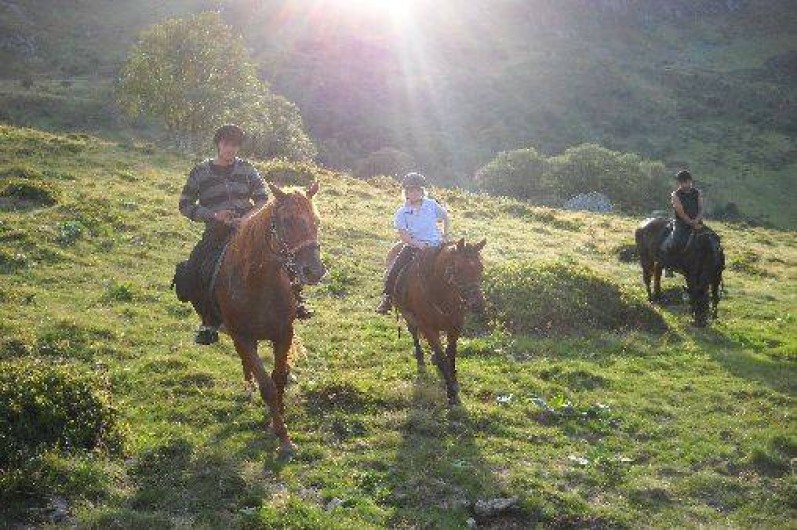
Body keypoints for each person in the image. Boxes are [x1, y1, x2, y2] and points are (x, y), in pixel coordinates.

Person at [176, 124, 312, 345]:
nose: (230, 149)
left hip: (249, 230)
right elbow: (185, 205)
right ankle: (208, 322)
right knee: (193, 269)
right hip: (217, 232)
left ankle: (296, 301)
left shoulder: (247, 169)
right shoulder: (199, 172)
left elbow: (262, 199)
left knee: (283, 258)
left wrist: (247, 218)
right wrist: (214, 215)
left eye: (235, 145)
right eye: (226, 144)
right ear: (218, 144)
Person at [376, 172, 450, 314]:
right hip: (414, 247)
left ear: (422, 191)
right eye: (410, 190)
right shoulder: (402, 212)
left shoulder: (431, 205)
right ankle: (387, 298)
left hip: (437, 245)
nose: (414, 193)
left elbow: (446, 218)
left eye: (417, 190)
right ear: (406, 192)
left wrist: (446, 236)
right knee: (395, 269)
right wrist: (419, 245)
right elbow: (404, 236)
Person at [660, 169, 704, 274]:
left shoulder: (697, 193)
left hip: (698, 222)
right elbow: (680, 212)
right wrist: (691, 223)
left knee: (712, 240)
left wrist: (697, 220)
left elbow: (701, 208)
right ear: (680, 183)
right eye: (683, 182)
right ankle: (669, 266)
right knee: (675, 242)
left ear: (691, 181)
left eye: (688, 181)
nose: (686, 184)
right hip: (682, 224)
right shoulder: (675, 195)